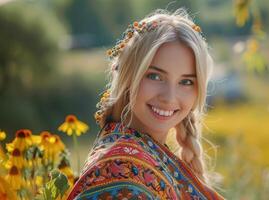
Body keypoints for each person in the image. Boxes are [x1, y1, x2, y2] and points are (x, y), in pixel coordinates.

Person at [67, 8, 224, 200]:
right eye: (155, 76)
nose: (169, 97)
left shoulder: (148, 155)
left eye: (186, 81)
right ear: (129, 76)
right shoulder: (119, 172)